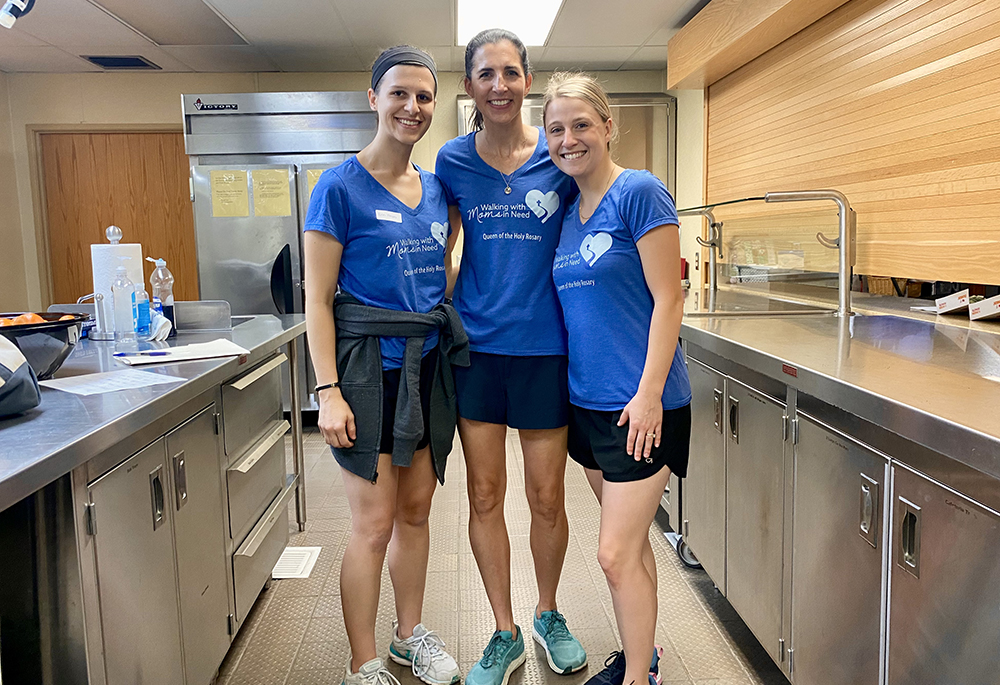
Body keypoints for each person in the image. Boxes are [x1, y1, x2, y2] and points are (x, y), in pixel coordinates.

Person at [303, 45, 466, 685]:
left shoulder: (435, 190)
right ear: (373, 99)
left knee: (417, 512)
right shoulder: (338, 187)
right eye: (399, 93)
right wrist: (328, 390)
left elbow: (439, 268)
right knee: (373, 524)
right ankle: (363, 662)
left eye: (424, 96)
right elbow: (317, 299)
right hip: (369, 373)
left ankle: (410, 635)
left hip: (425, 370)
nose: (413, 107)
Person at [434, 28, 587, 685]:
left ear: (528, 80)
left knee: (548, 495)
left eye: (510, 73)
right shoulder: (451, 162)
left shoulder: (559, 156)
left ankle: (549, 611)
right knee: (485, 491)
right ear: (469, 86)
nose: (499, 85)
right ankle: (505, 628)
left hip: (544, 350)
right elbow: (439, 248)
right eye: (485, 74)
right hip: (476, 351)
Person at [543, 72, 692, 685]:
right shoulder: (569, 210)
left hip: (642, 406)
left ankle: (635, 679)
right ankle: (643, 659)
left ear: (608, 127)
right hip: (589, 405)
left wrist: (650, 393)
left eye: (581, 125)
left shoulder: (639, 191)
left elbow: (669, 298)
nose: (569, 139)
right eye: (557, 128)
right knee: (631, 551)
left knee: (612, 553)